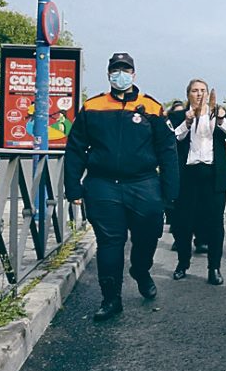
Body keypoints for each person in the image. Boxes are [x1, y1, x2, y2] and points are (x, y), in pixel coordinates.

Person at [63, 52, 178, 321]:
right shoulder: (93, 107)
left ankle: (140, 270)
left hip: (143, 184)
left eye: (125, 70)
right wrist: (73, 187)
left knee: (147, 236)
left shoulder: (151, 108)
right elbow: (75, 149)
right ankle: (111, 298)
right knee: (110, 243)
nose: (120, 74)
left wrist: (170, 192)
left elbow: (168, 151)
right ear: (108, 74)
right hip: (103, 185)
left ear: (133, 74)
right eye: (116, 70)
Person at [169, 79, 226, 285]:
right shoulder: (178, 116)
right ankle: (183, 263)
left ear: (208, 94)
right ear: (188, 94)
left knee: (215, 223)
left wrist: (220, 119)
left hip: (213, 176)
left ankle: (214, 267)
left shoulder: (218, 113)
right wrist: (187, 123)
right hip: (188, 176)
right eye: (194, 91)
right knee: (184, 222)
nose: (199, 94)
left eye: (202, 91)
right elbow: (171, 140)